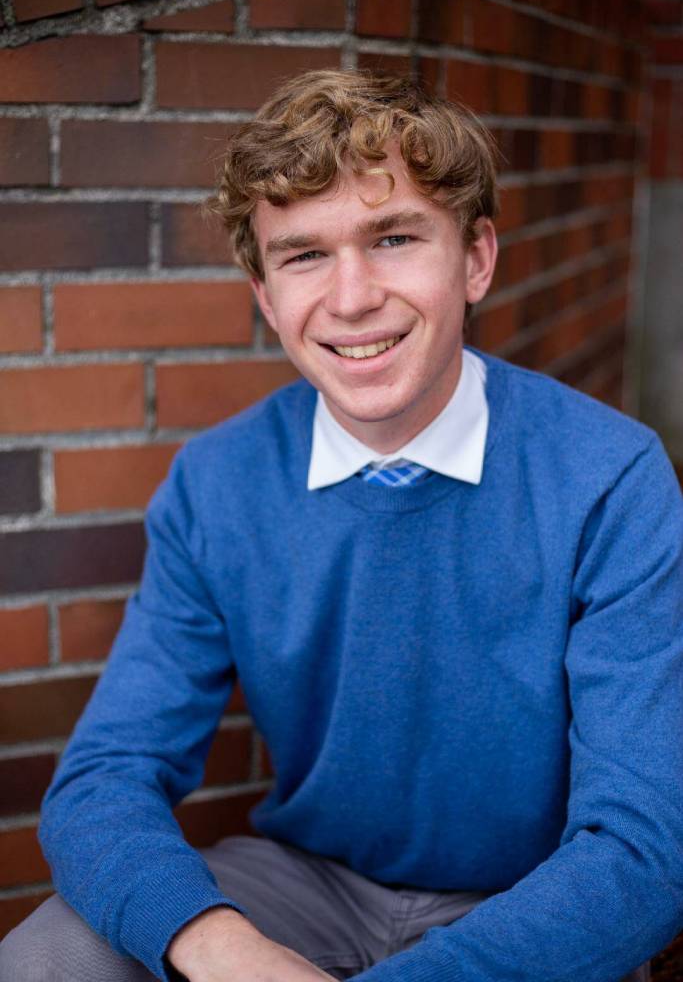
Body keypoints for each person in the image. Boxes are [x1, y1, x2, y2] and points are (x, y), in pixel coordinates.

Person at [1, 69, 681, 982]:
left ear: (475, 259)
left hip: (535, 901)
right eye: (304, 255)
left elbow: (645, 843)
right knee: (49, 956)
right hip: (308, 885)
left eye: (393, 237)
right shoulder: (218, 484)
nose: (351, 297)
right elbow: (103, 778)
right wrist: (221, 948)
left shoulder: (608, 476)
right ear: (264, 292)